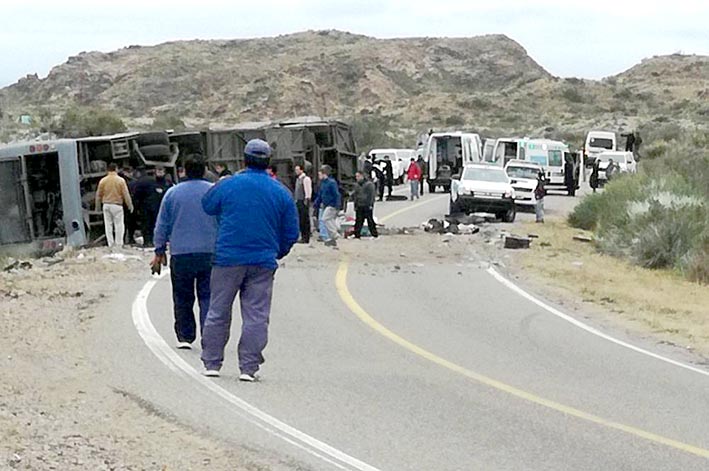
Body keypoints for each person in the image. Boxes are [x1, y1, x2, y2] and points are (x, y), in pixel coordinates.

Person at [200, 139, 299, 381]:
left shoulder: (229, 185)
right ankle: (248, 367)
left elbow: (207, 205)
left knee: (218, 310)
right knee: (256, 315)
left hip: (227, 259)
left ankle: (212, 362)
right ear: (269, 162)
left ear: (244, 160)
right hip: (262, 261)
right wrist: (278, 252)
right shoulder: (281, 192)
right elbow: (291, 232)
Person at [152, 156, 218, 349]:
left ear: (184, 171)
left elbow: (162, 224)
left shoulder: (172, 194)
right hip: (210, 253)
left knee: (182, 296)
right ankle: (209, 333)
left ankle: (185, 336)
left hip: (181, 253)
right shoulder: (214, 192)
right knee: (207, 296)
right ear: (205, 170)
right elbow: (224, 221)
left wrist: (159, 250)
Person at [95, 163, 134, 249]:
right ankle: (119, 243)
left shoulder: (103, 181)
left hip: (106, 205)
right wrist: (130, 205)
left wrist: (97, 207)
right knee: (119, 224)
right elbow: (126, 194)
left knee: (108, 225)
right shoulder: (120, 180)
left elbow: (98, 195)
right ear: (116, 169)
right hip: (117, 205)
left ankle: (110, 244)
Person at [133, 166, 172, 247]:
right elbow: (139, 195)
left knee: (157, 226)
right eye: (158, 170)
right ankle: (148, 241)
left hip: (159, 209)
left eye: (161, 170)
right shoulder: (149, 182)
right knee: (147, 225)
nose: (160, 172)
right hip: (147, 209)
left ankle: (156, 241)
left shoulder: (167, 184)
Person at [318, 165, 341, 248]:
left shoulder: (331, 183)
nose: (319, 176)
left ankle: (334, 235)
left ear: (324, 174)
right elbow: (320, 195)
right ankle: (333, 238)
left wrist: (338, 206)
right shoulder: (323, 183)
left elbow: (336, 194)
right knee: (329, 219)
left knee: (325, 218)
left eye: (320, 174)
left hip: (332, 205)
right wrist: (316, 204)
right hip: (326, 205)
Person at [352, 171, 378, 239]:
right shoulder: (357, 185)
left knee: (370, 220)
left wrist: (370, 204)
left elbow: (371, 196)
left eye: (358, 176)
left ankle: (374, 234)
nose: (356, 178)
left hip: (367, 204)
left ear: (362, 176)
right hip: (359, 205)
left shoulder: (369, 184)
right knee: (358, 220)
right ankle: (357, 234)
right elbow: (355, 196)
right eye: (356, 176)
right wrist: (355, 205)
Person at [294, 164, 312, 243]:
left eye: (297, 170)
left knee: (305, 219)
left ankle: (306, 237)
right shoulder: (298, 179)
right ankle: (303, 236)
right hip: (298, 200)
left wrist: (307, 199)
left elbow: (308, 190)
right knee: (300, 219)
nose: (296, 171)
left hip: (303, 201)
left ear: (302, 170)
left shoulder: (306, 179)